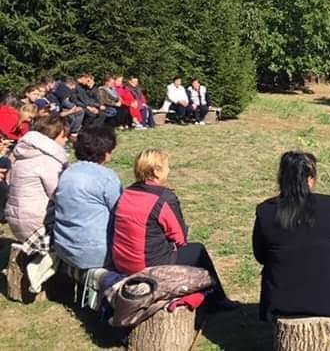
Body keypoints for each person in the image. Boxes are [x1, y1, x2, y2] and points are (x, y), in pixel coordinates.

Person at [112, 149, 238, 309]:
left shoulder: (127, 193)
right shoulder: (163, 198)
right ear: (157, 171)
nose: (169, 170)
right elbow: (180, 238)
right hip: (146, 264)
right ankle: (217, 300)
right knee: (197, 251)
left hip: (122, 261)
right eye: (167, 167)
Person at [252, 151, 330, 322]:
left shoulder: (265, 211)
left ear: (281, 178)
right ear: (310, 178)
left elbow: (261, 255)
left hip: (282, 298)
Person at [53, 126, 123, 269]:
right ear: (105, 152)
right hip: (95, 252)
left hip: (63, 245)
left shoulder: (67, 172)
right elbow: (120, 211)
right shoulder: (107, 177)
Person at [5, 116, 70, 242]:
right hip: (37, 224)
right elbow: (58, 194)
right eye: (63, 136)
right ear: (51, 138)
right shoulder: (47, 161)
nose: (66, 140)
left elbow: (9, 181)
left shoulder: (20, 155)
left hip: (16, 219)